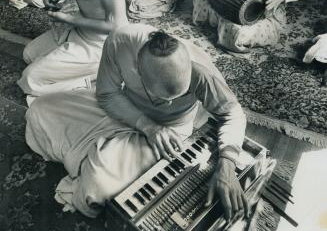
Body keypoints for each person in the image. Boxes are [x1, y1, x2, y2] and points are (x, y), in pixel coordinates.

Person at [25, 24, 248, 220]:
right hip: (124, 109)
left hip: (167, 132)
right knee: (40, 109)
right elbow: (106, 94)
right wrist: (146, 125)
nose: (169, 104)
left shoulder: (202, 71)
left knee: (96, 187)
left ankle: (95, 159)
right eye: (163, 99)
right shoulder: (121, 41)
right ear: (138, 71)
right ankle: (96, 156)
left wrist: (227, 163)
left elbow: (233, 114)